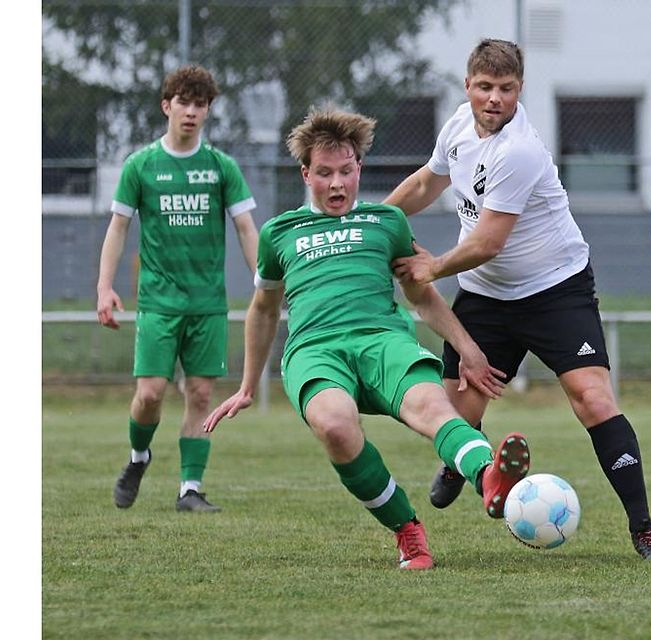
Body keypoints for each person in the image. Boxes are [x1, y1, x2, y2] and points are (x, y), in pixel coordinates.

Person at [202, 107, 531, 571]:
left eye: (346, 171)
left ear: (359, 168)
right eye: (324, 173)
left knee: (434, 408)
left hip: (382, 340)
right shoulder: (279, 233)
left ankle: (489, 477)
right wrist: (247, 385)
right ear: (306, 173)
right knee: (336, 426)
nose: (337, 184)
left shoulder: (387, 222)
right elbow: (263, 309)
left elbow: (423, 296)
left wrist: (469, 349)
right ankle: (408, 532)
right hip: (315, 350)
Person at [384, 38, 651, 560]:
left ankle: (644, 527)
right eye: (485, 87)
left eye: (507, 89)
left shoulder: (519, 149)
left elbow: (488, 241)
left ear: (520, 90)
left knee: (593, 398)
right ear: (468, 85)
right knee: (454, 412)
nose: (495, 98)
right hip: (486, 295)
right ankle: (464, 462)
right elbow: (429, 181)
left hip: (555, 291)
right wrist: (375, 223)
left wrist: (432, 266)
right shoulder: (456, 125)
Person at [97, 64, 260, 513]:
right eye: (183, 103)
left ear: (208, 111)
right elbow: (118, 228)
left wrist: (265, 281)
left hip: (207, 303)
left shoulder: (220, 168)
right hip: (157, 302)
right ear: (167, 106)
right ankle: (138, 457)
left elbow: (247, 228)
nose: (191, 112)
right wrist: (105, 287)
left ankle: (190, 489)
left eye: (200, 104)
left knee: (202, 395)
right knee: (150, 393)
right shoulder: (141, 165)